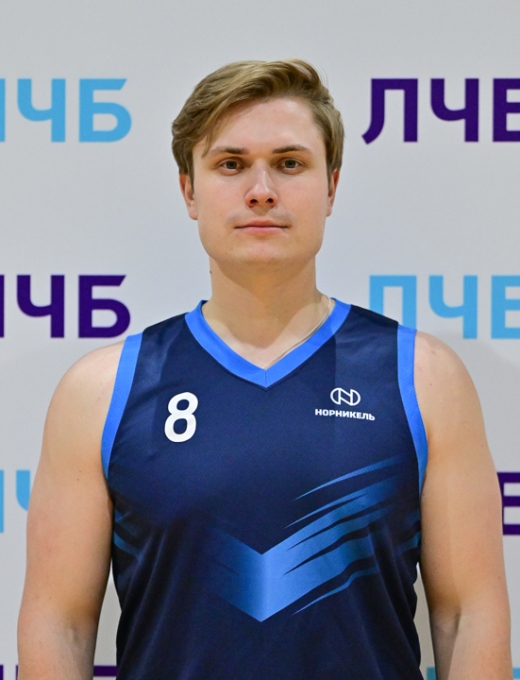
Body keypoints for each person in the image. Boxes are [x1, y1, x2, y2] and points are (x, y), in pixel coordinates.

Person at [18, 59, 512, 680]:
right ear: (188, 190)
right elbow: (60, 624)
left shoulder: (423, 377)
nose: (261, 190)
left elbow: (467, 617)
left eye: (289, 163)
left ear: (331, 187)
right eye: (230, 165)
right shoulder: (102, 390)